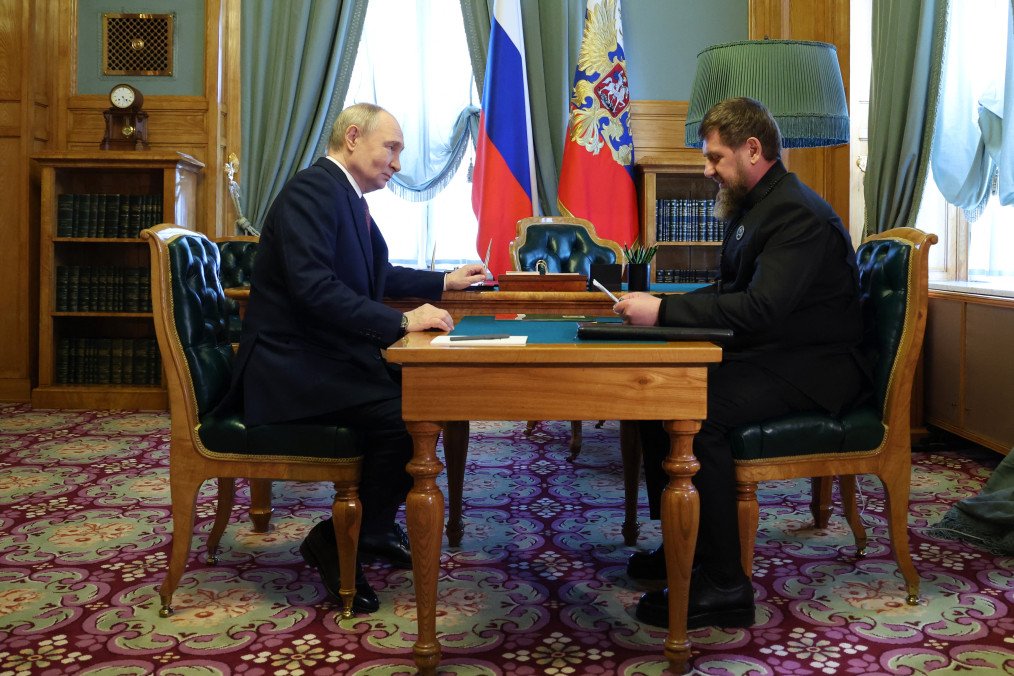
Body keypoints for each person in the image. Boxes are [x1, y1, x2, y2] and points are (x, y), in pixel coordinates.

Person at [613, 97, 871, 629]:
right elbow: (734, 290)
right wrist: (664, 309)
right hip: (778, 355)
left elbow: (760, 308)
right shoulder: (758, 205)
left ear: (752, 149)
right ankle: (685, 541)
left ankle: (725, 584)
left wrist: (663, 310)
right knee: (654, 398)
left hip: (817, 371)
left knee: (694, 412)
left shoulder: (794, 212)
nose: (707, 171)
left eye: (714, 159)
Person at [220, 102, 486, 613]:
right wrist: (402, 322)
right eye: (391, 148)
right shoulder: (311, 192)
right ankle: (333, 537)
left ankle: (374, 529)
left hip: (321, 359)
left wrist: (443, 281)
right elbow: (314, 290)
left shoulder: (344, 197)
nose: (398, 163)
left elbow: (376, 277)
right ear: (353, 137)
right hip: (288, 370)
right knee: (407, 418)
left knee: (425, 397)